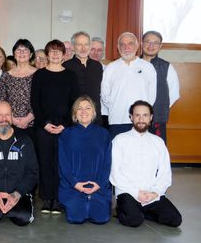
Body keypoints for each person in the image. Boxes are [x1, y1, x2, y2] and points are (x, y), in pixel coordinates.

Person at [109, 100, 182, 228]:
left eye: (145, 115)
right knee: (133, 221)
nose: (141, 119)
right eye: (137, 115)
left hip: (151, 193)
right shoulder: (120, 140)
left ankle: (141, 211)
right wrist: (136, 192)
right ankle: (126, 209)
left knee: (175, 219)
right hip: (128, 191)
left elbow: (165, 172)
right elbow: (114, 173)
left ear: (151, 117)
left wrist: (155, 192)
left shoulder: (158, 142)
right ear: (131, 117)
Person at [31, 39, 78, 214]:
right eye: (52, 51)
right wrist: (45, 123)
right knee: (45, 162)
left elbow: (74, 102)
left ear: (64, 54)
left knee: (61, 162)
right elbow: (35, 102)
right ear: (47, 54)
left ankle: (59, 198)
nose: (56, 54)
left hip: (65, 126)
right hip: (43, 126)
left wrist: (65, 124)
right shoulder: (39, 75)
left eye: (59, 51)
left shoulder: (71, 76)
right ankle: (47, 198)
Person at [58, 96, 112, 224]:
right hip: (73, 187)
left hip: (98, 187)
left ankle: (94, 199)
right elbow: (63, 163)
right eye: (79, 109)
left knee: (101, 219)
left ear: (93, 112)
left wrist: (99, 184)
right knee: (75, 218)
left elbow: (108, 163)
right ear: (75, 114)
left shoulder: (104, 134)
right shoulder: (66, 134)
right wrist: (75, 184)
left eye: (88, 108)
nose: (84, 112)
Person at [101, 32, 157, 139]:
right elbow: (105, 95)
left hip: (141, 122)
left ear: (137, 46)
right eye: (122, 44)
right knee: (118, 154)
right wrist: (116, 105)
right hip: (117, 120)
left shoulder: (148, 67)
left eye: (130, 43)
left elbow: (151, 96)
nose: (126, 47)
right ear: (118, 47)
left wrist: (142, 114)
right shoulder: (110, 68)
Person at [141, 30, 180, 143]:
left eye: (155, 43)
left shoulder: (166, 67)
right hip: (134, 118)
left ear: (160, 46)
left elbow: (174, 93)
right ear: (141, 43)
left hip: (157, 118)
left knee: (157, 148)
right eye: (148, 42)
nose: (151, 46)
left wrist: (159, 108)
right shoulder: (133, 65)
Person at [0, 39, 37, 141]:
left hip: (34, 124)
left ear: (31, 54)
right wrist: (13, 119)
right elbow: (2, 100)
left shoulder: (39, 74)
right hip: (11, 124)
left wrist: (28, 119)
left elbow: (42, 100)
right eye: (18, 50)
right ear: (14, 54)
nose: (22, 53)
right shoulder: (5, 76)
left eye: (25, 50)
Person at [63, 31, 103, 125]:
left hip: (95, 119)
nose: (83, 48)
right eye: (79, 44)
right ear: (73, 47)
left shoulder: (97, 66)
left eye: (86, 44)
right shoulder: (65, 67)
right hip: (73, 120)